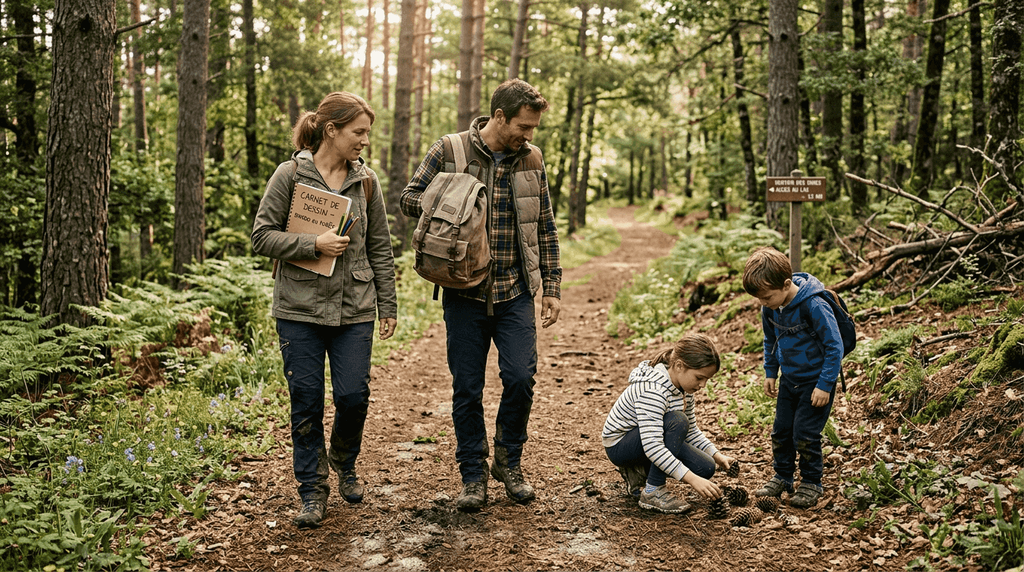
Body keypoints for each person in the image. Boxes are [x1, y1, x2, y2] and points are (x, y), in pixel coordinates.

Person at [400, 78, 561, 512]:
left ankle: (509, 460)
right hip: (463, 291)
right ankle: (473, 474)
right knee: (467, 388)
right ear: (499, 116)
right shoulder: (449, 150)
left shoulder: (532, 159)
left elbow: (544, 223)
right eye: (523, 126)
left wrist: (552, 286)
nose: (529, 136)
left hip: (515, 291)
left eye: (534, 128)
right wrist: (453, 196)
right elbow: (408, 198)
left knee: (521, 378)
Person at [251, 91, 398, 528]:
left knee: (353, 396)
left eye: (367, 133)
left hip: (355, 307)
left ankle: (344, 460)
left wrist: (387, 305)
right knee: (306, 402)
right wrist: (311, 243)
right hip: (299, 310)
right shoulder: (289, 175)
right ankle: (312, 490)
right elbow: (261, 236)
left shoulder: (366, 182)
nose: (364, 141)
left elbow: (380, 248)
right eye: (358, 132)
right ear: (330, 130)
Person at [742, 246, 842, 509]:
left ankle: (811, 482)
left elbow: (835, 346)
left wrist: (825, 385)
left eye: (767, 297)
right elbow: (770, 340)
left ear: (786, 284)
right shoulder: (771, 309)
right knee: (782, 431)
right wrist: (770, 372)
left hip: (815, 383)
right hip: (789, 379)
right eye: (759, 299)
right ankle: (783, 476)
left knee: (805, 433)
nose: (763, 303)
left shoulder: (814, 304)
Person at [603, 333, 734, 513]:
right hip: (621, 445)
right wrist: (692, 480)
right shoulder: (654, 391)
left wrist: (718, 456)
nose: (703, 385)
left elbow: (692, 432)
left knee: (705, 467)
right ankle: (653, 490)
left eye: (707, 379)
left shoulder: (684, 389)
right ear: (679, 366)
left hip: (649, 438)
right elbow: (653, 446)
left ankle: (641, 471)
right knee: (678, 421)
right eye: (699, 377)